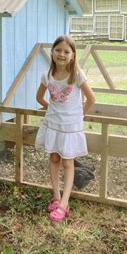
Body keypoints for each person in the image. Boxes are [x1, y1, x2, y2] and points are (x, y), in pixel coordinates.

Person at [35, 35, 96, 222]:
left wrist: (79, 116)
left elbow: (91, 99)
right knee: (53, 157)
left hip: (70, 126)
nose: (61, 54)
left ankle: (64, 204)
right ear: (52, 52)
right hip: (53, 124)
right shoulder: (47, 75)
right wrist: (52, 109)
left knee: (68, 162)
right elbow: (39, 98)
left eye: (66, 51)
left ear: (73, 55)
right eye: (58, 50)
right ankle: (56, 196)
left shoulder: (76, 75)